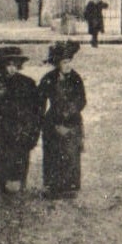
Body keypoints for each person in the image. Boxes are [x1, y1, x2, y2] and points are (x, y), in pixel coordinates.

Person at [0, 46, 41, 194]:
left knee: (19, 170)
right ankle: (3, 190)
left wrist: (32, 133)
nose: (12, 69)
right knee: (3, 170)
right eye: (8, 65)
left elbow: (36, 111)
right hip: (3, 135)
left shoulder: (28, 84)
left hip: (22, 134)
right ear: (2, 67)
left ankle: (20, 188)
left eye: (15, 65)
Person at [38, 40, 86, 198]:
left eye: (70, 61)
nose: (68, 65)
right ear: (58, 63)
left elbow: (82, 100)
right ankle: (53, 186)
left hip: (72, 121)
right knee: (53, 153)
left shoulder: (76, 78)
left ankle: (70, 186)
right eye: (65, 62)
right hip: (53, 121)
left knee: (71, 153)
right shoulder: (48, 79)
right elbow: (40, 102)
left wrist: (70, 112)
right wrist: (49, 123)